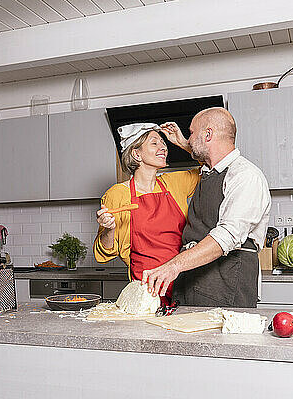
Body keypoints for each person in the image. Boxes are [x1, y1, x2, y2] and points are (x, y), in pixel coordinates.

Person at [141, 107, 271, 308]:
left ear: (208, 134)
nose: (189, 139)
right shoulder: (210, 172)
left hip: (225, 284)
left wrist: (173, 266)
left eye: (192, 133)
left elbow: (226, 236)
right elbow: (209, 156)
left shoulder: (245, 176)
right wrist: (186, 144)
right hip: (192, 279)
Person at [93, 123, 200, 305]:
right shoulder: (117, 194)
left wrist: (183, 144)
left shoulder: (174, 183)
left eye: (163, 143)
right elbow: (104, 253)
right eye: (154, 143)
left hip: (183, 281)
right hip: (146, 288)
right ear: (136, 154)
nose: (163, 147)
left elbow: (212, 165)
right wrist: (108, 229)